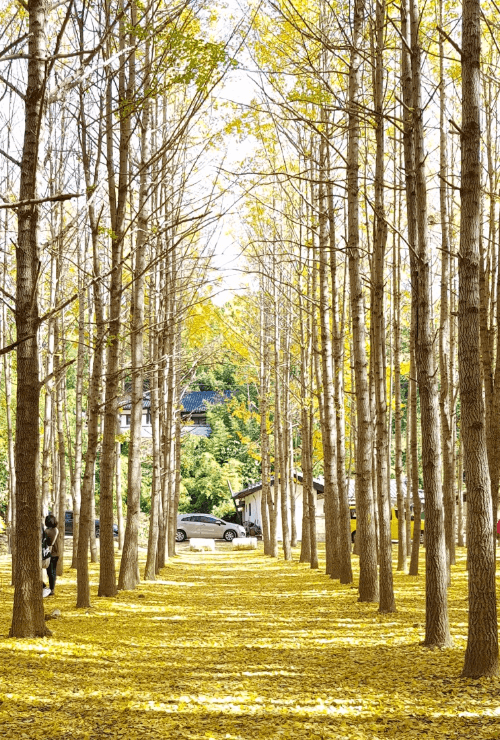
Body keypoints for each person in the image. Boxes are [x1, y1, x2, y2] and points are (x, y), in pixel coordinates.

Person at [44, 514, 60, 597]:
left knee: (50, 572)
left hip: (49, 554)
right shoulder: (56, 530)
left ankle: (51, 589)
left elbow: (48, 543)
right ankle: (52, 588)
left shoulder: (47, 531)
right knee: (52, 572)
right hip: (56, 553)